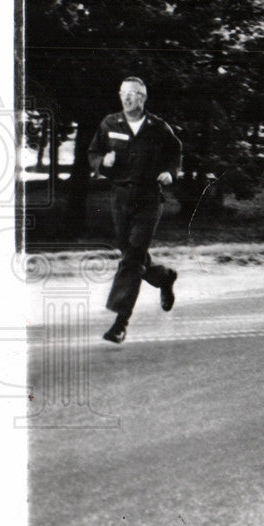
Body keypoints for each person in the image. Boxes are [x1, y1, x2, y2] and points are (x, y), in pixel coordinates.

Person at [88, 77, 182, 344]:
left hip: (149, 199)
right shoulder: (110, 123)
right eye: (123, 94)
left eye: (133, 94)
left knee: (132, 259)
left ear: (143, 98)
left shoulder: (157, 127)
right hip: (120, 197)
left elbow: (174, 152)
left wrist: (169, 172)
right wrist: (101, 161)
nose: (127, 98)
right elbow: (93, 152)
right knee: (133, 255)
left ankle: (120, 323)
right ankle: (165, 277)